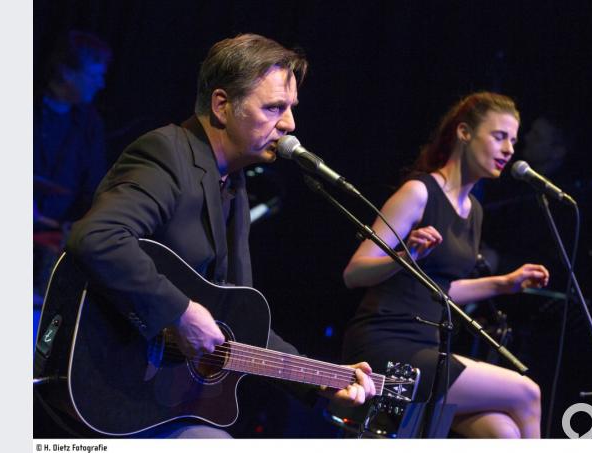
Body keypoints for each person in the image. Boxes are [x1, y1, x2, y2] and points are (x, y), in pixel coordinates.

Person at [55, 33, 375, 438]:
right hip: (107, 380)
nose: (290, 124)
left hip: (155, 402)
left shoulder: (234, 183)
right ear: (222, 106)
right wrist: (180, 312)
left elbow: (241, 324)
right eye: (274, 107)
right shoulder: (167, 153)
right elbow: (98, 236)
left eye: (291, 108)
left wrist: (322, 381)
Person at [341, 92, 549, 438]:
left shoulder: (473, 211)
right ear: (464, 133)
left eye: (513, 140)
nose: (510, 149)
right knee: (527, 393)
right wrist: (407, 257)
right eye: (499, 137)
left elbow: (442, 291)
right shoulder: (419, 192)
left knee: (504, 434)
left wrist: (505, 283)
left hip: (429, 348)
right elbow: (355, 271)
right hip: (387, 345)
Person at [33, 30, 112, 297]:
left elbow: (94, 186)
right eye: (94, 75)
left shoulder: (90, 124)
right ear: (67, 72)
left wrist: (77, 223)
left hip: (56, 236)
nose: (101, 84)